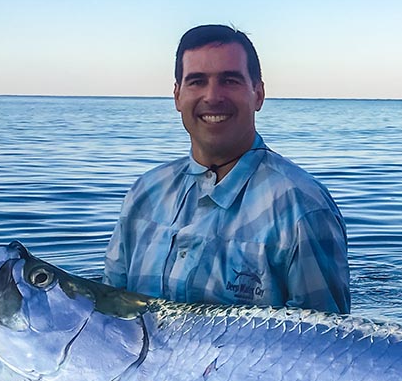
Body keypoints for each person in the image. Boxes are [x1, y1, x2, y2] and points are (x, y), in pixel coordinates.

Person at [104, 24, 350, 313]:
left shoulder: (302, 207)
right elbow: (111, 314)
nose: (212, 96)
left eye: (230, 80)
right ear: (177, 96)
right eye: (196, 81)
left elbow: (325, 346)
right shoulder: (144, 194)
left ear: (258, 94)